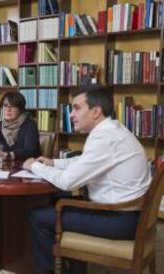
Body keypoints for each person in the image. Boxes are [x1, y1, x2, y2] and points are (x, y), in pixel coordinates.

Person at [22, 86, 151, 274]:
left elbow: (68, 182)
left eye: (76, 108)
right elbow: (84, 161)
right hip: (131, 216)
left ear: (96, 111)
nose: (71, 114)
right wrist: (53, 162)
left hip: (119, 221)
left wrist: (34, 166)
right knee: (59, 201)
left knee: (38, 215)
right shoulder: (112, 130)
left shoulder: (104, 137)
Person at [0, 91, 40, 161]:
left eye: (12, 106)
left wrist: (8, 155)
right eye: (5, 105)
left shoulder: (30, 125)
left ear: (20, 109)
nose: (8, 109)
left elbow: (29, 150)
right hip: (6, 165)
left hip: (29, 166)